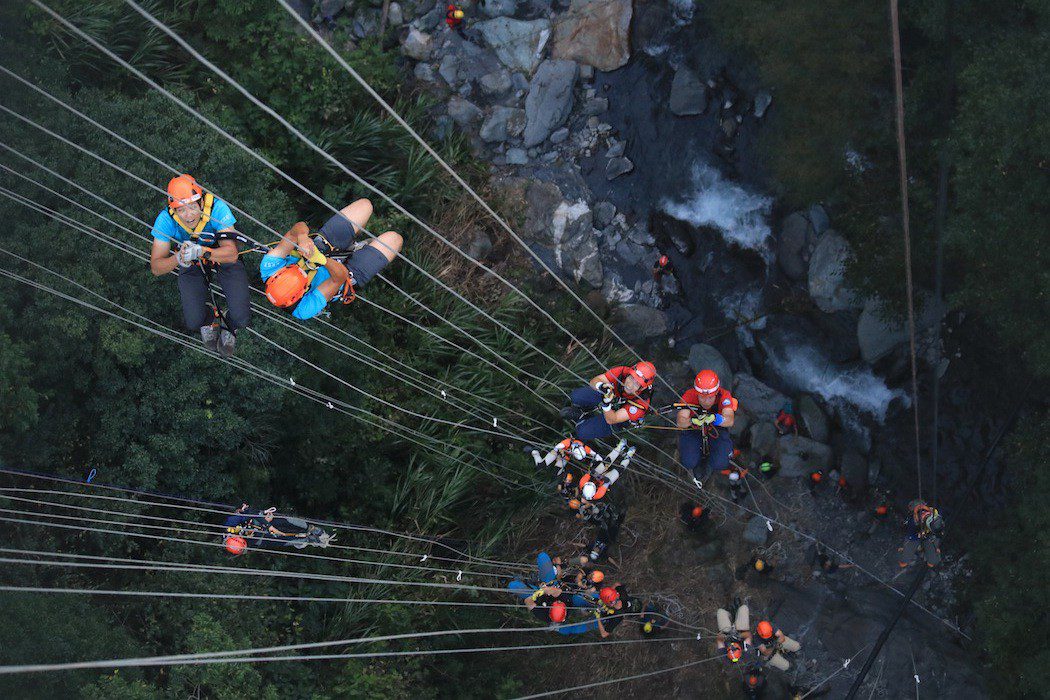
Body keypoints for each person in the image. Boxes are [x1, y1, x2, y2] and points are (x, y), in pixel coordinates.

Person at [150, 174, 250, 356]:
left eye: (192, 207)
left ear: (201, 202)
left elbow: (232, 254)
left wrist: (202, 251)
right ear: (174, 210)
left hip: (220, 254)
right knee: (194, 321)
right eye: (181, 210)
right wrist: (177, 259)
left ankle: (230, 323)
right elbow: (156, 267)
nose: (188, 216)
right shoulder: (166, 219)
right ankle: (210, 318)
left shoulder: (217, 209)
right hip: (189, 257)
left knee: (241, 318)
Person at [260, 199, 402, 320]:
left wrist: (302, 237)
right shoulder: (303, 309)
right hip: (343, 276)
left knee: (365, 205)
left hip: (324, 247)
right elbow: (340, 277)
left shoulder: (269, 268)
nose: (301, 271)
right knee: (394, 239)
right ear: (302, 292)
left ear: (281, 272)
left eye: (296, 270)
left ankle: (353, 236)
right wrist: (322, 260)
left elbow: (295, 230)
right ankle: (359, 247)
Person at [560, 362, 657, 441]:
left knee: (582, 432)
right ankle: (581, 412)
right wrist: (601, 386)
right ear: (629, 373)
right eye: (631, 378)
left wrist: (607, 404)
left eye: (637, 384)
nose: (630, 385)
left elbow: (612, 419)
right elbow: (595, 380)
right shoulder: (623, 371)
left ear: (643, 387)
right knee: (577, 396)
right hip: (611, 395)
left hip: (616, 416)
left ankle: (584, 421)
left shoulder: (641, 405)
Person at [676, 369, 737, 488]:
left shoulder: (724, 395)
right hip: (694, 428)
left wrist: (716, 419)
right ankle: (697, 462)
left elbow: (729, 419)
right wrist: (692, 421)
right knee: (688, 461)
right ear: (697, 393)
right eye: (702, 397)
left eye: (710, 398)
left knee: (720, 463)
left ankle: (711, 462)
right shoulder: (690, 395)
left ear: (716, 392)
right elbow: (680, 421)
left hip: (716, 428)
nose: (706, 401)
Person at [898, 500, 944, 568]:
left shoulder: (936, 517)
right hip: (916, 536)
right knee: (905, 558)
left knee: (932, 560)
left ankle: (930, 558)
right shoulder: (913, 524)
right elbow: (911, 537)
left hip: (928, 536)